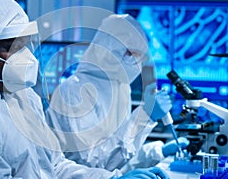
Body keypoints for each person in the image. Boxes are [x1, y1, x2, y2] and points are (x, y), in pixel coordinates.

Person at [0, 0, 170, 179]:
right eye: (8, 47)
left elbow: (55, 166)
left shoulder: (23, 98)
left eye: (24, 45)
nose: (24, 57)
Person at [46, 14, 189, 172]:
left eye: (141, 56)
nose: (137, 62)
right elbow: (91, 163)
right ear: (107, 50)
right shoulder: (74, 91)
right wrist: (144, 116)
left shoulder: (121, 88)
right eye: (131, 54)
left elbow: (117, 159)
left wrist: (156, 153)